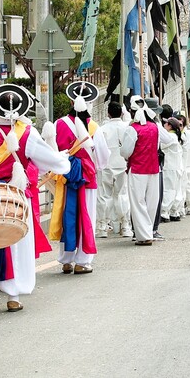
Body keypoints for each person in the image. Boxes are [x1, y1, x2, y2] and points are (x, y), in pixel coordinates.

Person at [0, 84, 70, 312]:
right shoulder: (28, 134)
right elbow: (48, 161)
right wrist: (62, 161)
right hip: (15, 196)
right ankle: (13, 295)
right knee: (15, 241)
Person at [49, 81, 112, 273]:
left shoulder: (58, 124)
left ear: (70, 101)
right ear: (90, 102)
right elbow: (102, 158)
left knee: (66, 215)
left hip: (65, 177)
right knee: (87, 216)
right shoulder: (94, 127)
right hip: (87, 178)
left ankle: (66, 259)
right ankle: (82, 261)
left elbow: (51, 150)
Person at [121, 96, 162, 246]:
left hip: (138, 168)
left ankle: (144, 235)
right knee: (151, 202)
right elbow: (157, 147)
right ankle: (148, 230)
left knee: (138, 203)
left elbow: (125, 151)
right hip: (153, 167)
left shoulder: (132, 129)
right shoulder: (155, 127)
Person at [96, 100, 133, 239]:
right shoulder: (127, 127)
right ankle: (125, 225)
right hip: (122, 164)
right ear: (122, 113)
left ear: (108, 113)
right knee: (122, 195)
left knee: (104, 196)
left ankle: (102, 227)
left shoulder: (102, 129)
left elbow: (98, 149)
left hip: (106, 165)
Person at [158, 105, 186, 221]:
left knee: (168, 190)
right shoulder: (178, 136)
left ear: (170, 126)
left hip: (170, 167)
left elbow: (161, 146)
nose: (164, 125)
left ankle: (164, 212)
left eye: (166, 124)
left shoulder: (171, 137)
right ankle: (175, 211)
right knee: (176, 190)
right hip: (177, 167)